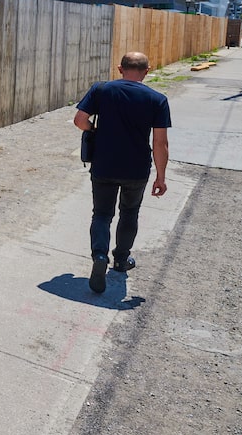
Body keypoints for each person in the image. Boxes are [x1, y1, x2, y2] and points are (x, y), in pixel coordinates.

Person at [73, 51, 171, 294]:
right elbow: (160, 143)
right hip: (136, 169)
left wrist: (94, 130)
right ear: (147, 71)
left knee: (102, 214)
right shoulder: (157, 99)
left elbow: (80, 120)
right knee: (129, 212)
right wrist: (161, 177)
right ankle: (120, 260)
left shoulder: (101, 90)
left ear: (119, 69)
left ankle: (99, 255)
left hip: (104, 164)